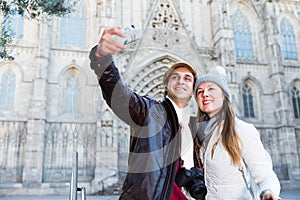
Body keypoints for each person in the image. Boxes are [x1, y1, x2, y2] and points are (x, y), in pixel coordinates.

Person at [89, 26, 202, 200]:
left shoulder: (192, 127)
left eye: (187, 78)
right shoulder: (148, 111)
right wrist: (103, 58)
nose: (181, 81)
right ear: (165, 85)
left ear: (193, 88)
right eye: (175, 77)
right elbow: (119, 96)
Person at [192, 66, 281, 200]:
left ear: (224, 95)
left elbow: (265, 176)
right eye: (200, 91)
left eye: (211, 89)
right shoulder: (197, 133)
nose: (205, 94)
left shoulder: (241, 129)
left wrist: (268, 192)